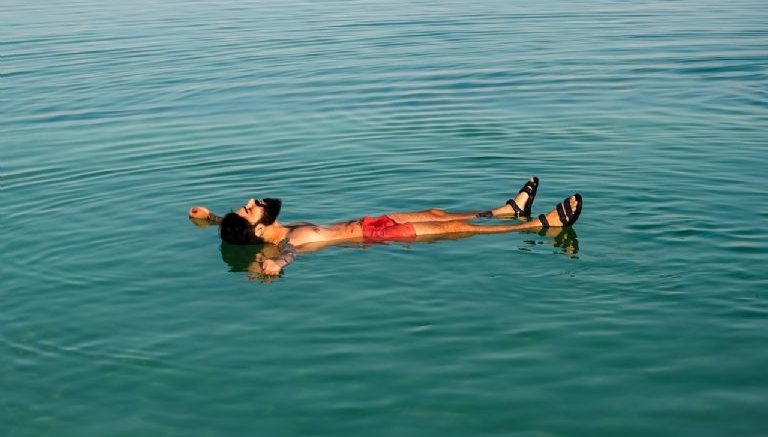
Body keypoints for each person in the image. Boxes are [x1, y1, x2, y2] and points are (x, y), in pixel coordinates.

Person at [188, 177, 582, 276]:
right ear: (259, 230)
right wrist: (277, 265)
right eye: (251, 209)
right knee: (453, 229)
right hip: (378, 235)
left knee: (438, 213)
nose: (255, 201)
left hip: (371, 221)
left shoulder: (273, 227)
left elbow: (244, 231)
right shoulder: (288, 240)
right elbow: (290, 254)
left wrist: (213, 217)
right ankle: (537, 224)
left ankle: (505, 210)